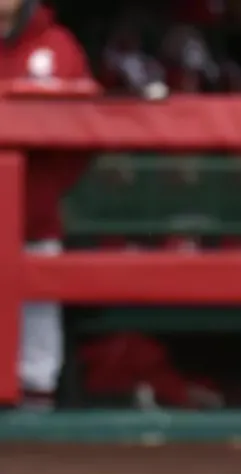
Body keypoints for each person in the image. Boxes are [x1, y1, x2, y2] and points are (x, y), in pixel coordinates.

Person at [0, 0, 97, 409]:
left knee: (36, 356)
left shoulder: (56, 45)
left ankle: (36, 432)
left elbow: (85, 132)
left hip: (33, 220)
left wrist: (44, 190)